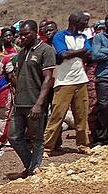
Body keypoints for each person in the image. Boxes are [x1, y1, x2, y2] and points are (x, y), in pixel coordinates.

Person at [9, 20, 57, 178]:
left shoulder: (46, 50)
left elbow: (48, 79)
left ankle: (33, 169)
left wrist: (39, 103)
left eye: (25, 34)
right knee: (14, 136)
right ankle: (31, 166)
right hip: (20, 102)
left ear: (35, 32)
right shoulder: (22, 52)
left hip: (34, 102)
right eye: (20, 35)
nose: (22, 38)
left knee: (36, 138)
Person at [44, 12, 93, 156]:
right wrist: (80, 52)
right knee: (57, 114)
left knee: (81, 115)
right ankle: (47, 146)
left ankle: (83, 144)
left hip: (81, 80)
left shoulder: (83, 37)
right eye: (84, 22)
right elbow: (62, 54)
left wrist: (73, 52)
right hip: (64, 81)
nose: (86, 25)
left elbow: (89, 54)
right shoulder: (60, 36)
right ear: (75, 22)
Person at [93, 19, 108, 147]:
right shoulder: (99, 38)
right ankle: (100, 138)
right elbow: (95, 55)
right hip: (104, 76)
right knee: (103, 106)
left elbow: (101, 53)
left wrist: (105, 51)